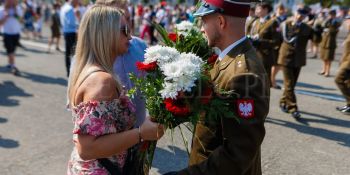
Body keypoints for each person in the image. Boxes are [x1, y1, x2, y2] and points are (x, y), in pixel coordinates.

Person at [166, 0, 270, 174]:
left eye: (204, 21)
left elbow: (238, 153)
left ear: (221, 22)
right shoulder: (229, 58)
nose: (200, 28)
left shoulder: (243, 74)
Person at [66, 5, 164, 174]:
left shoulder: (87, 70)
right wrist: (141, 133)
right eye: (124, 30)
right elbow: (87, 148)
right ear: (106, 34)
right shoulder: (102, 81)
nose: (130, 36)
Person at [95, 0, 147, 127]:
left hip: (141, 133)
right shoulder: (90, 60)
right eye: (122, 25)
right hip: (110, 142)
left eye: (129, 19)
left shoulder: (141, 46)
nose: (129, 29)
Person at [278, 8, 316, 118]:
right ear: (295, 12)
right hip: (286, 58)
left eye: (303, 15)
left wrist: (317, 30)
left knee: (292, 84)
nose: (300, 16)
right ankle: (293, 108)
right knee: (289, 84)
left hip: (298, 59)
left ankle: (282, 101)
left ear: (305, 16)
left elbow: (316, 40)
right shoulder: (285, 24)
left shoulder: (306, 27)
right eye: (299, 13)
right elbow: (286, 38)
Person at [249, 2, 280, 87]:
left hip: (266, 56)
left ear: (266, 10)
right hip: (254, 55)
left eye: (258, 8)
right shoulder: (256, 21)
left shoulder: (273, 22)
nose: (256, 10)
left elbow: (276, 41)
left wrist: (260, 42)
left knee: (264, 84)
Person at [0, 0, 23, 76]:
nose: (11, 2)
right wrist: (6, 16)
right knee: (10, 50)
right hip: (7, 33)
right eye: (9, 0)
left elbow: (21, 21)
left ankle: (10, 63)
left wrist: (16, 13)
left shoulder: (18, 8)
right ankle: (13, 66)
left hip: (16, 33)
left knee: (12, 50)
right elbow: (0, 23)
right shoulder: (2, 9)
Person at [319, 10, 341, 77]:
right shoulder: (327, 21)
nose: (330, 16)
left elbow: (336, 31)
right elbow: (322, 26)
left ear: (334, 15)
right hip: (324, 41)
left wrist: (329, 30)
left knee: (329, 57)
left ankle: (327, 71)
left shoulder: (336, 22)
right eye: (329, 15)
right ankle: (324, 69)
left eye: (331, 14)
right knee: (324, 57)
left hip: (331, 42)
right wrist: (326, 21)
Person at [270, 3, 287, 89]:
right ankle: (272, 81)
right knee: (276, 64)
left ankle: (272, 80)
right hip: (276, 45)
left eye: (282, 9)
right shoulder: (274, 20)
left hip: (283, 44)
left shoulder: (285, 19)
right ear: (276, 10)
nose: (281, 11)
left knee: (280, 64)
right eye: (280, 9)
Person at [60, 0, 79, 77]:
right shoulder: (70, 8)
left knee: (68, 53)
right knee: (74, 53)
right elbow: (70, 22)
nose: (77, 2)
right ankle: (74, 71)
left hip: (65, 31)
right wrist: (78, 24)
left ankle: (68, 71)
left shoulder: (63, 7)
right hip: (71, 32)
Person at [335, 32, 350, 115]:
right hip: (346, 61)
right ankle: (349, 105)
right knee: (348, 83)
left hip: (348, 63)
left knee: (338, 79)